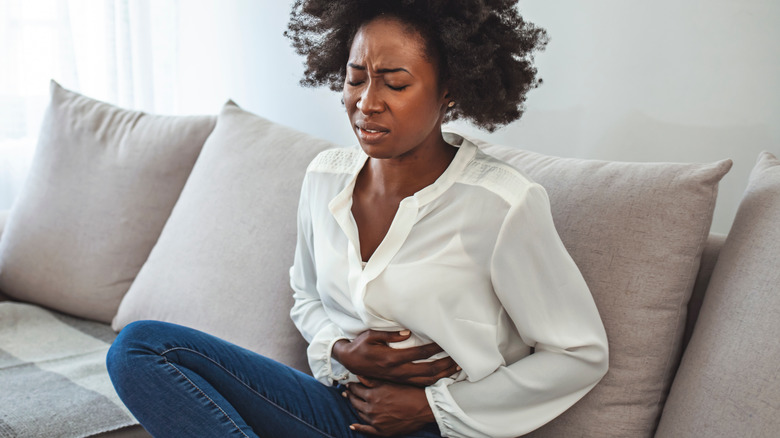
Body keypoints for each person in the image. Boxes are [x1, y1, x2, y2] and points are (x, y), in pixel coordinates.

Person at [106, 1, 608, 437]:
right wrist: (341, 350)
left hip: (439, 430)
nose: (366, 104)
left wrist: (432, 407)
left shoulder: (502, 204)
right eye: (355, 78)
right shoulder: (325, 177)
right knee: (140, 349)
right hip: (336, 411)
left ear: (449, 90)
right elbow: (304, 295)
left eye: (395, 83)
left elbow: (578, 353)